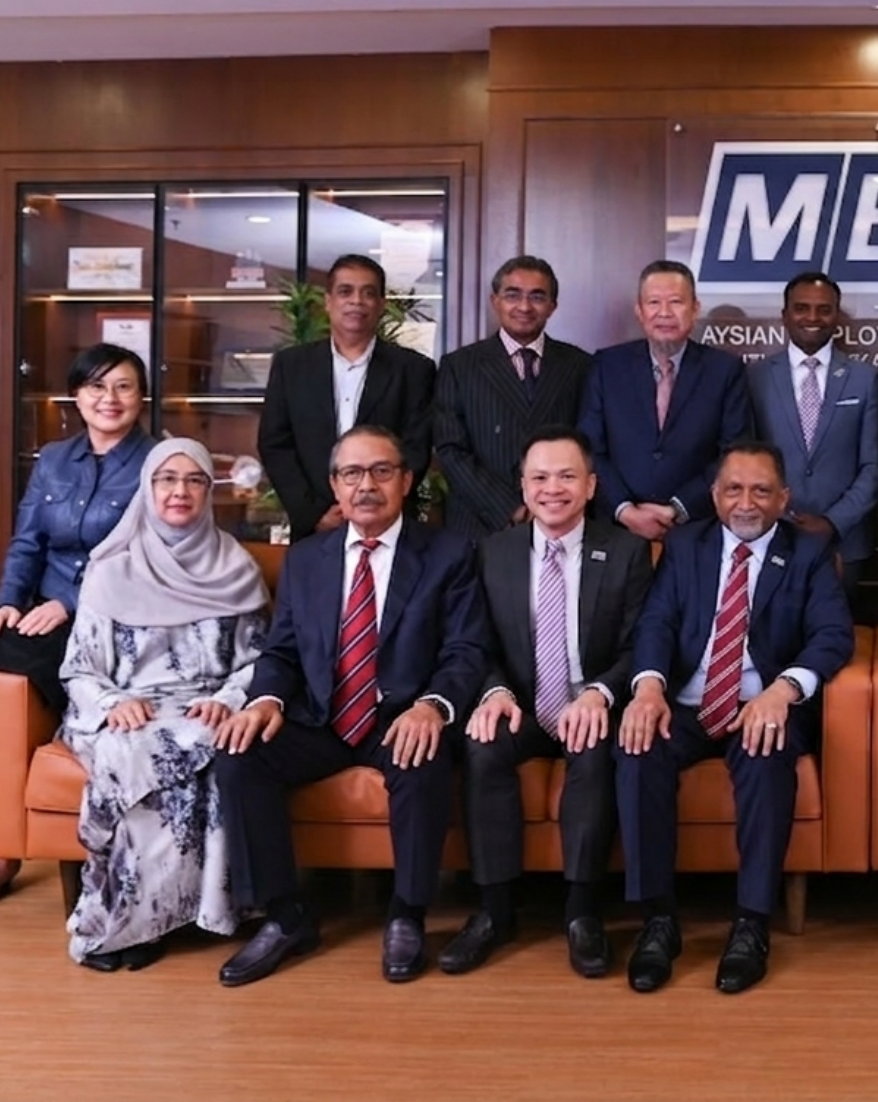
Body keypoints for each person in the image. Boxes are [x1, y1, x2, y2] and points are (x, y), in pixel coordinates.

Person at [211, 425, 489, 987]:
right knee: (239, 755)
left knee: (423, 756)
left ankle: (407, 912)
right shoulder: (306, 560)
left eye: (381, 471)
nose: (367, 486)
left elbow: (466, 650)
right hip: (322, 716)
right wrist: (264, 699)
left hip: (399, 716)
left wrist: (432, 706)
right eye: (352, 474)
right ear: (335, 486)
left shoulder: (448, 553)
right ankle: (285, 915)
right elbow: (282, 651)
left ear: (406, 481)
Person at [0, 343, 156, 915]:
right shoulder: (55, 459)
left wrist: (68, 602)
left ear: (142, 397)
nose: (109, 398)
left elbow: (148, 556)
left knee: (3, 678)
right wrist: (6, 604)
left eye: (123, 386)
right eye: (96, 386)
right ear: (76, 396)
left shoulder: (157, 463)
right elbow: (28, 543)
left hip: (118, 617)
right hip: (46, 612)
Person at [615, 440, 854, 995]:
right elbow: (656, 623)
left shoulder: (809, 551)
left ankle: (751, 923)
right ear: (714, 495)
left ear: (784, 498)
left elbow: (832, 635)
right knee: (636, 749)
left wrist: (784, 690)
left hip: (761, 703)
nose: (746, 503)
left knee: (767, 755)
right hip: (686, 702)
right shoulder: (686, 545)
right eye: (733, 489)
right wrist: (648, 688)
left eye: (761, 491)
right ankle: (658, 919)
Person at [439, 428, 653, 979]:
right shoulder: (493, 552)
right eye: (539, 477)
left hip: (590, 701)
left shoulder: (627, 552)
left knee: (596, 751)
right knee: (482, 744)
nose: (551, 489)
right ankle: (494, 910)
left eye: (566, 476)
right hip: (522, 703)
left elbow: (641, 644)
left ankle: (582, 911)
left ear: (591, 486)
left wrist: (601, 694)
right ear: (523, 486)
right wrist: (493, 691)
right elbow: (475, 639)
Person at [58, 439, 270, 971]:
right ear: (147, 489)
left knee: (219, 750)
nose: (180, 491)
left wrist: (228, 699)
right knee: (134, 752)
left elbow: (261, 661)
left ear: (209, 491)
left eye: (195, 480)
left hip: (204, 710)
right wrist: (113, 702)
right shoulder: (111, 569)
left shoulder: (236, 566)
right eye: (166, 479)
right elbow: (79, 668)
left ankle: (174, 916)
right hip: (126, 710)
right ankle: (123, 924)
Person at [258, 253, 437, 538]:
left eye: (368, 293)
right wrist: (313, 512)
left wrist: (370, 505)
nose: (357, 301)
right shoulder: (291, 365)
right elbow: (275, 443)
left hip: (388, 523)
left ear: (381, 305)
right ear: (328, 302)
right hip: (315, 527)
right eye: (345, 292)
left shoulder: (414, 370)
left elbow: (416, 448)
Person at [578, 259, 752, 541]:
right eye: (654, 302)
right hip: (616, 531)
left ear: (695, 309)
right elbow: (588, 448)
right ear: (639, 311)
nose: (664, 313)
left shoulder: (724, 370)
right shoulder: (607, 366)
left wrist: (678, 509)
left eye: (676, 302)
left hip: (696, 530)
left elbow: (734, 453)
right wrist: (625, 510)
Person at [432, 256, 594, 540]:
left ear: (552, 306)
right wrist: (511, 508)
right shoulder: (459, 366)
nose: (524, 306)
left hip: (559, 520)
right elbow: (450, 449)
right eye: (512, 295)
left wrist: (547, 504)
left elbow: (588, 447)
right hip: (479, 525)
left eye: (537, 297)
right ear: (495, 301)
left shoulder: (579, 365)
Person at [745, 272, 878, 602]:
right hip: (770, 533)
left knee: (836, 630)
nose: (812, 318)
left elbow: (873, 467)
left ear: (836, 316)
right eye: (801, 308)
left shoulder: (865, 379)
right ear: (785, 315)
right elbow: (745, 464)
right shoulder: (754, 377)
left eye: (824, 309)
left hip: (844, 542)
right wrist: (782, 518)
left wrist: (832, 522)